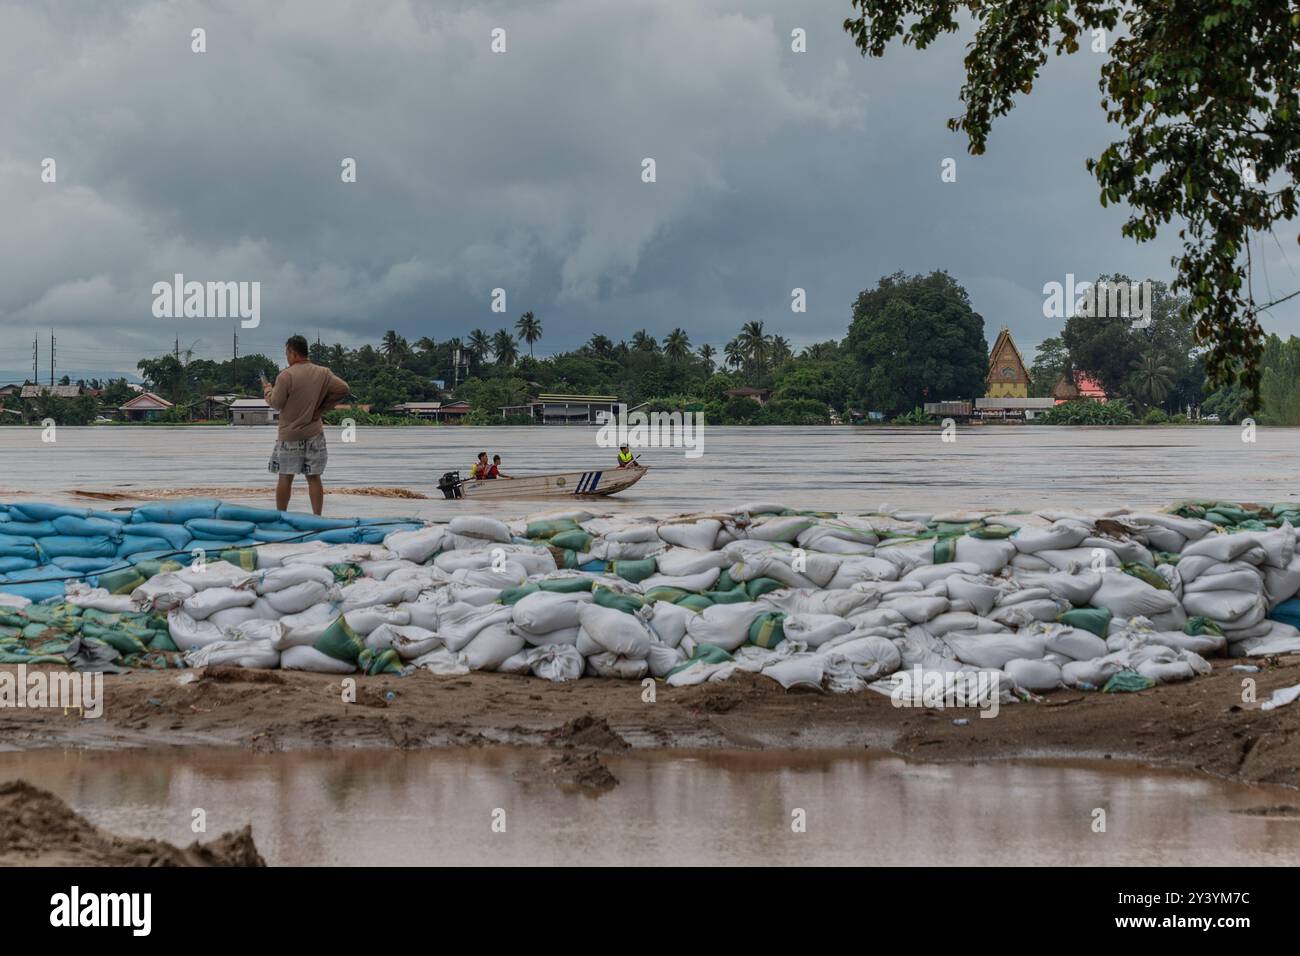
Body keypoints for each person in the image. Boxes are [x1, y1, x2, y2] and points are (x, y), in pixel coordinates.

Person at [263, 335, 349, 514]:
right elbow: (343, 389)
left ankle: (281, 517)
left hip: (290, 436)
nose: (287, 357)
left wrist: (267, 389)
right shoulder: (323, 373)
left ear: (293, 353)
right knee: (314, 477)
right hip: (314, 433)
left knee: (285, 477)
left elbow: (276, 403)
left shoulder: (286, 375)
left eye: (287, 353)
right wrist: (321, 409)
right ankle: (317, 517)